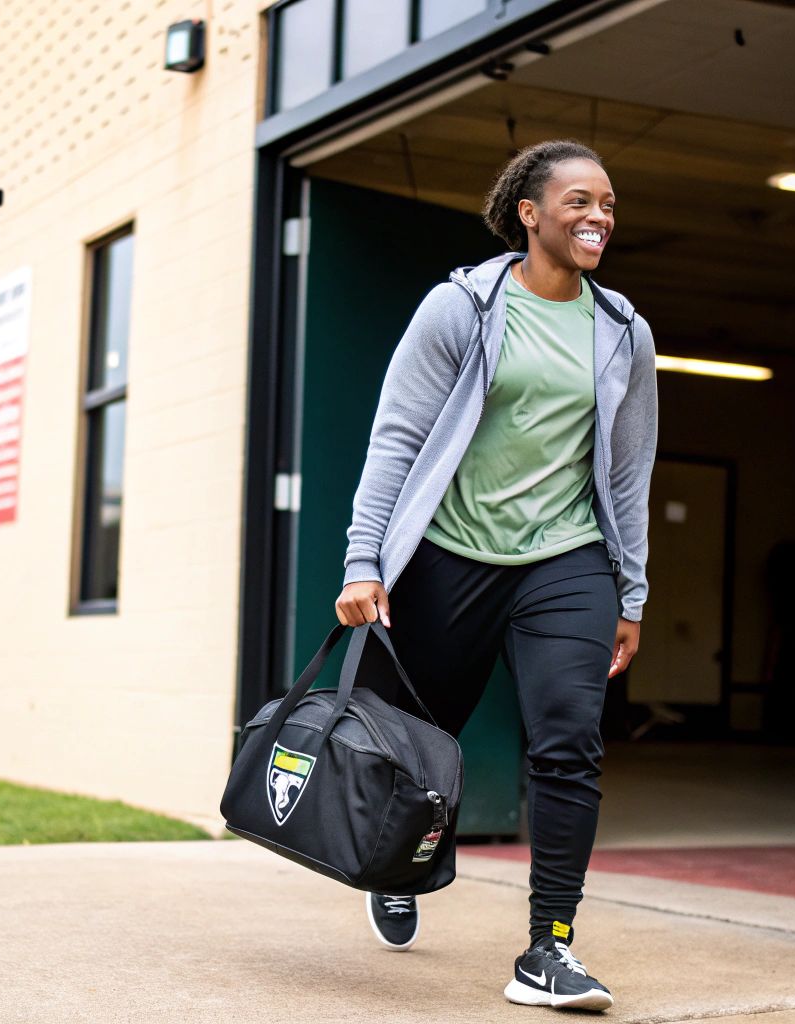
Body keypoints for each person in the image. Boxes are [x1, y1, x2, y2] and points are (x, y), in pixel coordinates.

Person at [334, 139, 657, 1012]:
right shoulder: (462, 308)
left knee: (568, 744)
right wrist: (366, 559)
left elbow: (627, 471)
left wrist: (629, 590)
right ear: (530, 213)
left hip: (566, 556)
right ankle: (397, 865)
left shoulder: (623, 331)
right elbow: (396, 437)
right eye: (580, 202)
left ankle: (549, 947)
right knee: (415, 737)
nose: (599, 218)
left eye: (609, 206)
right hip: (450, 553)